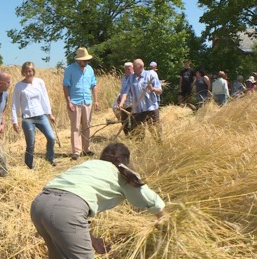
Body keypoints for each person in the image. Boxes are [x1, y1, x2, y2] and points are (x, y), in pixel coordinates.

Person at [30, 142, 165, 259]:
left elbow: (65, 204)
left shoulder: (89, 164)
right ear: (126, 161)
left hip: (40, 204)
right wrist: (164, 220)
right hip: (66, 210)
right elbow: (150, 198)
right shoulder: (121, 172)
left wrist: (92, 239)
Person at [11, 62, 57, 169]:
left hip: (40, 115)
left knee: (51, 137)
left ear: (33, 71)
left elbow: (45, 98)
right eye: (26, 71)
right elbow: (15, 104)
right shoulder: (19, 86)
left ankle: (50, 157)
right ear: (23, 72)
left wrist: (49, 114)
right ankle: (29, 164)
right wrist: (15, 121)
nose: (29, 73)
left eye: (30, 71)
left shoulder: (40, 82)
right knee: (31, 144)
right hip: (28, 118)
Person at [62, 47, 99, 160]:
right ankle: (76, 151)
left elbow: (94, 85)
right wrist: (69, 102)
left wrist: (96, 100)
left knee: (87, 126)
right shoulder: (69, 69)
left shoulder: (90, 69)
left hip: (87, 101)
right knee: (76, 127)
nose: (86, 62)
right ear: (78, 60)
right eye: (84, 60)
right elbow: (65, 86)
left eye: (87, 60)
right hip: (75, 102)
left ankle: (86, 149)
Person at [119, 59, 162, 140]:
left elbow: (160, 91)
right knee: (138, 134)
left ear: (141, 67)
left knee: (155, 132)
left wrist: (152, 89)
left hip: (151, 108)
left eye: (134, 66)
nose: (133, 68)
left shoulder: (151, 75)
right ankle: (140, 150)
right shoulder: (131, 78)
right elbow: (125, 92)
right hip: (137, 110)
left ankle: (160, 148)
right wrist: (121, 103)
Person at [113, 62, 134, 135]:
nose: (127, 71)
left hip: (133, 103)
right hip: (124, 103)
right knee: (124, 121)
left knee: (134, 121)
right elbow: (123, 90)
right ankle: (127, 135)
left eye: (129, 69)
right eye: (126, 69)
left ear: (132, 69)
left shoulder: (135, 77)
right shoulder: (123, 79)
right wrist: (119, 99)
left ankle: (133, 136)